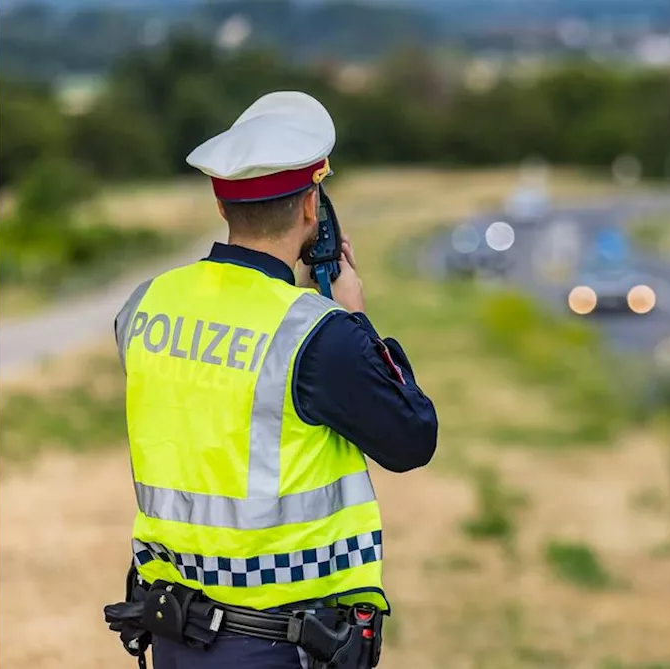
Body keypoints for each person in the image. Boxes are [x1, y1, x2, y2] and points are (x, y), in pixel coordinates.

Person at [103, 91, 439, 669]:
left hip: (175, 636)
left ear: (221, 204)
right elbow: (412, 439)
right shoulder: (317, 334)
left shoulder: (144, 306)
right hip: (279, 645)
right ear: (313, 205)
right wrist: (356, 318)